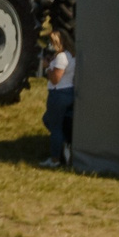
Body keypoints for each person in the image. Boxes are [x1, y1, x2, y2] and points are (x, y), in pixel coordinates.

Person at [41, 27, 76, 169]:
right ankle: (65, 143)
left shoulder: (61, 57)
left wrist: (47, 68)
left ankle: (55, 159)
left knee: (54, 127)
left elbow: (55, 78)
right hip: (69, 92)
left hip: (58, 93)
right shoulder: (72, 55)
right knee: (49, 120)